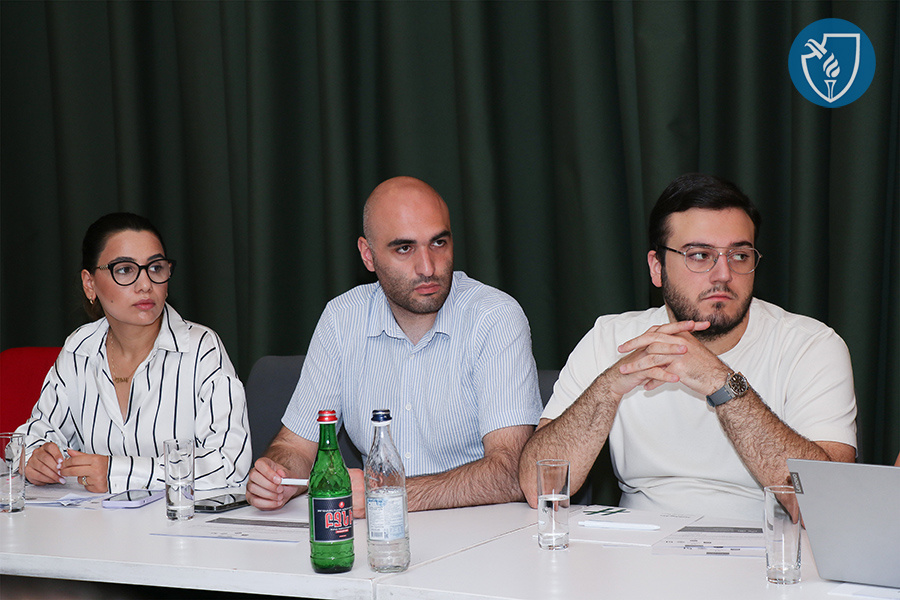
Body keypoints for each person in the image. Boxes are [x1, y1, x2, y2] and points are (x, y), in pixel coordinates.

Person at [519, 173, 857, 520]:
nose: (723, 274)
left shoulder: (811, 346)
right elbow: (536, 486)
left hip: (765, 542)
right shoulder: (611, 338)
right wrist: (609, 388)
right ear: (657, 268)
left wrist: (722, 383)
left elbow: (826, 508)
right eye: (699, 255)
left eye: (740, 255)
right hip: (636, 542)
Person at [246, 176, 542, 515]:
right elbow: (295, 446)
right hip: (376, 537)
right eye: (404, 248)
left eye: (439, 243)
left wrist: (388, 495)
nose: (427, 267)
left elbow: (511, 472)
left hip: (481, 531)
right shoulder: (342, 318)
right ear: (368, 256)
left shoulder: (494, 317)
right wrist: (278, 475)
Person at [17, 213, 251, 494]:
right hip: (94, 518)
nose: (145, 285)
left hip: (177, 520)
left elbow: (229, 465)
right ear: (90, 283)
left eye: (156, 268)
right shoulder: (80, 348)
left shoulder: (201, 348)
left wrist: (118, 472)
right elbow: (32, 437)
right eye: (126, 270)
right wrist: (34, 459)